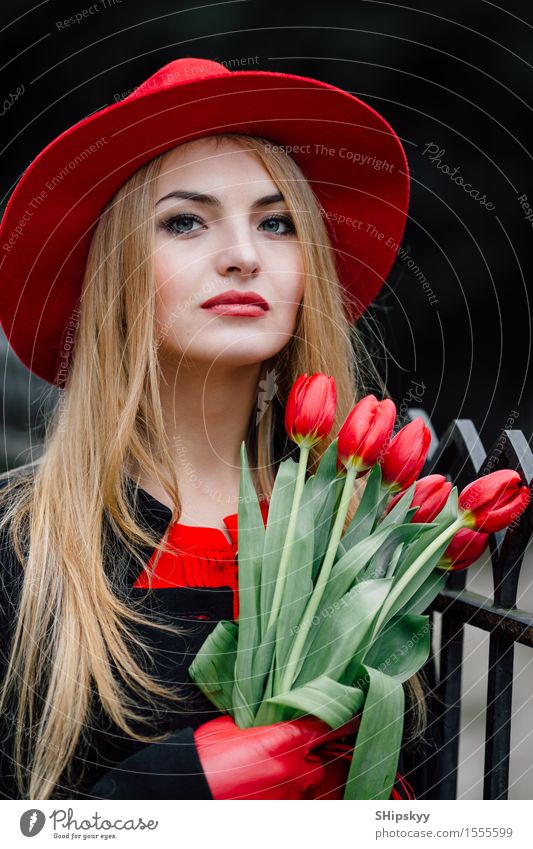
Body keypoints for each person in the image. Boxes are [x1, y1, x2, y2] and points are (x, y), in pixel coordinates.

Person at [0, 56, 420, 800]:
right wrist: (173, 789)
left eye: (276, 222)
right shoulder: (23, 551)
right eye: (185, 220)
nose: (242, 255)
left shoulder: (368, 548)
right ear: (115, 273)